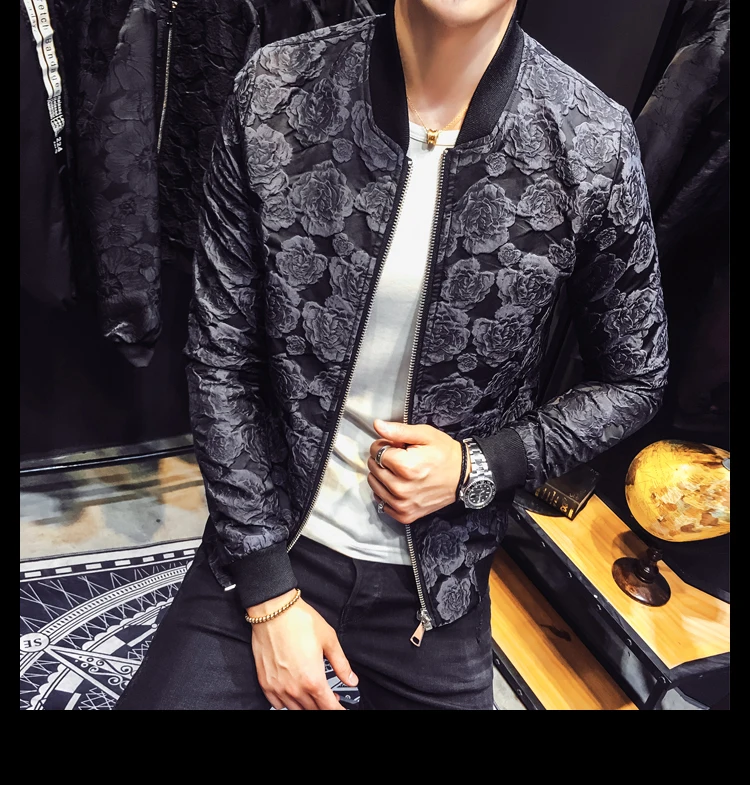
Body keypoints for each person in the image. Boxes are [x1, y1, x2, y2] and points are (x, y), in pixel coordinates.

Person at [116, 0, 668, 711]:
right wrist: (268, 595)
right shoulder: (277, 91)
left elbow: (636, 376)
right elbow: (221, 355)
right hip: (270, 540)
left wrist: (480, 464)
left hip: (437, 580)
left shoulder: (591, 142)